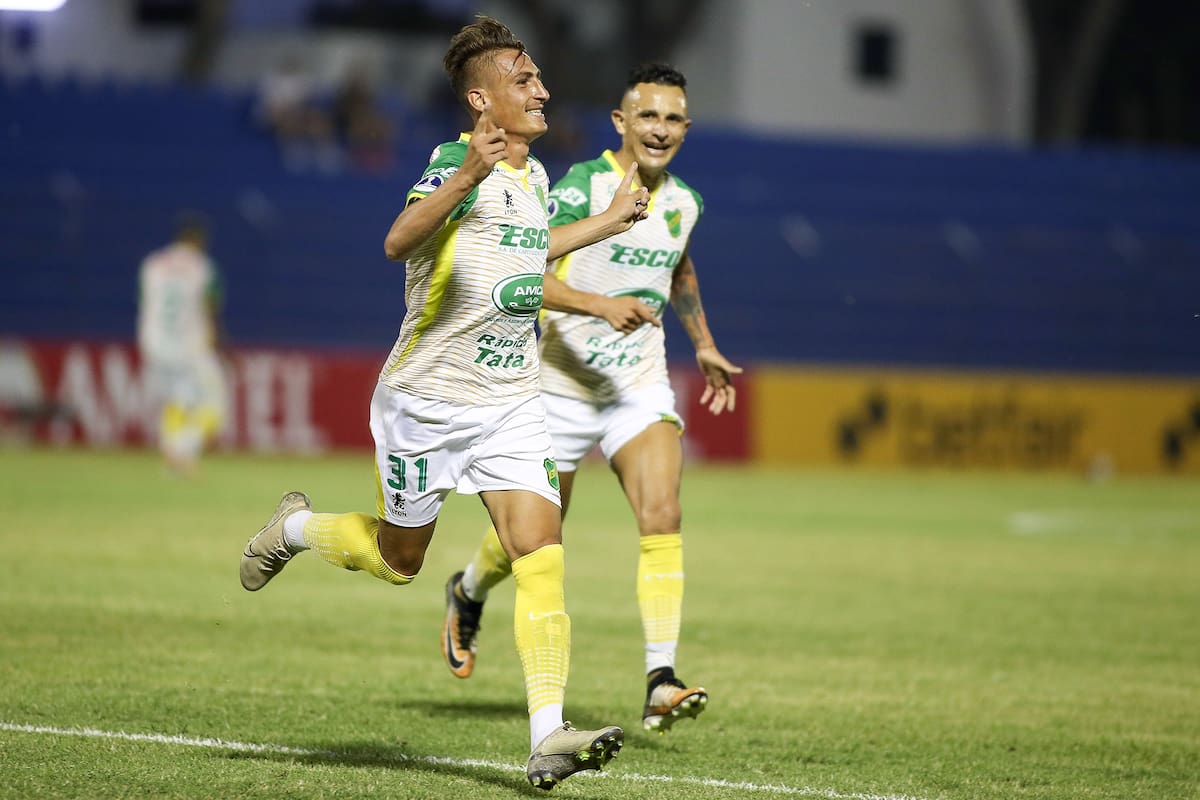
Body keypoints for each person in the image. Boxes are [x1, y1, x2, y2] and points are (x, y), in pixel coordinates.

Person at [237, 16, 655, 791]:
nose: (542, 90)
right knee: (401, 560)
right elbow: (398, 241)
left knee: (541, 550)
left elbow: (528, 248)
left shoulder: (532, 179)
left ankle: (546, 735)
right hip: (424, 403)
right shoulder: (450, 163)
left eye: (538, 78)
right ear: (480, 98)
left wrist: (605, 223)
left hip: (507, 401)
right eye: (524, 80)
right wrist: (465, 177)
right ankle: (292, 527)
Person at [442, 62, 742, 735]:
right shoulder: (583, 186)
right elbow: (522, 265)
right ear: (622, 122)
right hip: (558, 385)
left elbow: (679, 262)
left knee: (663, 511)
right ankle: (466, 588)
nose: (659, 129)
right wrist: (599, 305)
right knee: (532, 541)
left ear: (685, 129)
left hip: (636, 385)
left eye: (672, 119)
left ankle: (660, 679)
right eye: (648, 116)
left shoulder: (686, 202)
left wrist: (702, 341)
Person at [137, 215, 227, 478]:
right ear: (199, 240)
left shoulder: (151, 264)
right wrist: (220, 344)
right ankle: (182, 450)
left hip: (154, 343)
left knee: (178, 399)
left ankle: (173, 456)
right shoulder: (204, 267)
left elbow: (145, 301)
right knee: (215, 401)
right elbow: (210, 308)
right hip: (189, 345)